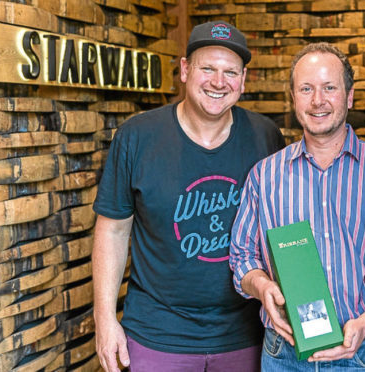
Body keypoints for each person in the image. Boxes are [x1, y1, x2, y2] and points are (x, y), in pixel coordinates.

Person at [92, 20, 285, 372]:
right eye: (207, 68)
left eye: (230, 72)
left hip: (245, 335)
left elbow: (282, 230)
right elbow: (113, 230)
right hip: (156, 334)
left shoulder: (265, 137)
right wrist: (104, 319)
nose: (218, 81)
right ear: (184, 70)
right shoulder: (136, 137)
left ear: (243, 80)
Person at [229, 42, 365, 371]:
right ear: (294, 98)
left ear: (349, 97)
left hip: (364, 352)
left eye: (329, 88)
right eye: (306, 89)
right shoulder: (264, 176)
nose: (317, 100)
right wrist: (262, 287)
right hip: (285, 353)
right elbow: (241, 256)